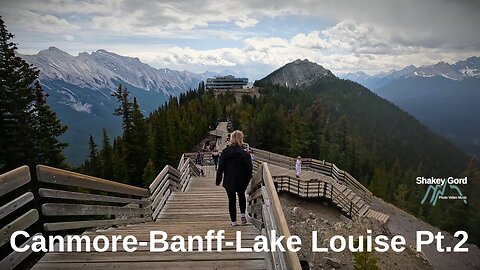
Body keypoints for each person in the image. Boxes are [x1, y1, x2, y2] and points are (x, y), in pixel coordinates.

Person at [216, 130, 253, 226]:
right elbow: (249, 168)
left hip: (229, 180)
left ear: (231, 139)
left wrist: (218, 180)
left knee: (231, 200)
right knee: (241, 196)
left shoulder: (225, 152)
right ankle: (243, 216)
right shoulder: (245, 153)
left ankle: (233, 222)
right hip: (242, 180)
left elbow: (221, 167)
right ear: (241, 139)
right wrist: (249, 178)